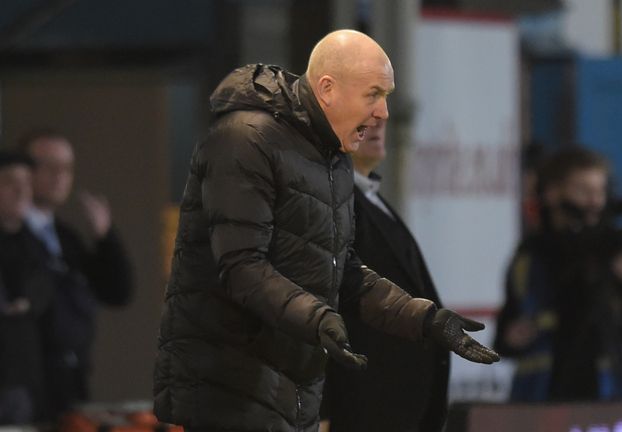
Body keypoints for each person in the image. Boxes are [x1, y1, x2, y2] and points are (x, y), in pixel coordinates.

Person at [153, 29, 499, 432]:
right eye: (373, 94)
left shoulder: (330, 155)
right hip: (232, 394)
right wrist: (319, 319)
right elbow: (243, 266)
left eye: (386, 96)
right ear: (328, 89)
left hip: (293, 393)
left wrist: (425, 319)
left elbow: (344, 271)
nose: (384, 112)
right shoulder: (245, 138)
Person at [494, 147, 622, 402]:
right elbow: (503, 340)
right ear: (552, 193)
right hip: (542, 408)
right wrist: (513, 337)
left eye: (600, 191)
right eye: (583, 191)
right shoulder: (530, 258)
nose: (594, 201)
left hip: (612, 408)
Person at [320, 119, 449, 432]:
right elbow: (322, 302)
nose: (380, 119)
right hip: (358, 410)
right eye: (367, 105)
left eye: (383, 104)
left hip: (394, 410)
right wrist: (324, 410)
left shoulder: (372, 200)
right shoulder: (331, 202)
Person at [18, 130, 134, 417]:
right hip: (24, 383)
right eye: (48, 166)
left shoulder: (65, 237)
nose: (60, 176)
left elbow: (117, 292)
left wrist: (105, 237)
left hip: (70, 380)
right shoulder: (11, 233)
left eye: (67, 168)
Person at [0, 151, 54, 423]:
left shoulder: (37, 245)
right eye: (10, 181)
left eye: (26, 181)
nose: (21, 190)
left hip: (25, 381)